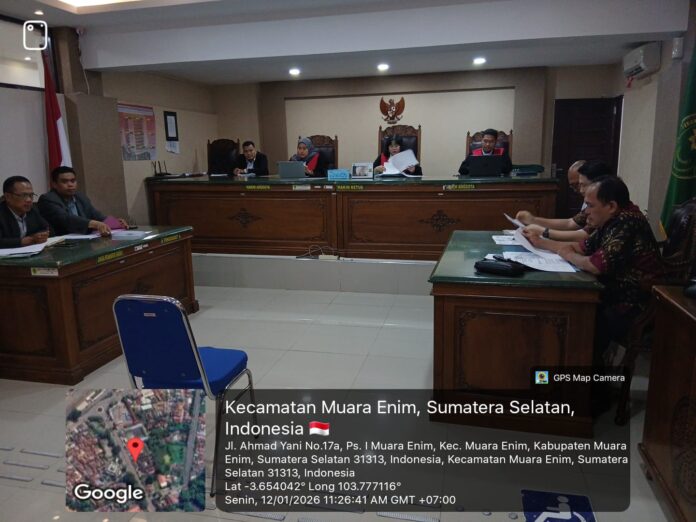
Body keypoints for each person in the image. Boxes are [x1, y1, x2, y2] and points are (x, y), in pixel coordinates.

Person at [523, 176, 663, 363]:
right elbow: (583, 247)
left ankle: (584, 373)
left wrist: (568, 255)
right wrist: (541, 242)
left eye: (590, 205)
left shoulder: (626, 222)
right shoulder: (612, 219)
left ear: (611, 206)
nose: (586, 212)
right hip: (611, 293)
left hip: (630, 304)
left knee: (576, 318)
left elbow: (595, 265)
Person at [517, 160, 611, 242]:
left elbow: (584, 236)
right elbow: (571, 223)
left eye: (582, 185)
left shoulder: (605, 204)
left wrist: (543, 233)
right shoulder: (592, 201)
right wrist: (533, 220)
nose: (581, 190)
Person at [38, 166, 126, 236]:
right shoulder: (47, 199)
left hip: (83, 239)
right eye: (65, 182)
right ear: (54, 184)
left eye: (73, 181)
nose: (70, 185)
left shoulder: (80, 197)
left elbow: (96, 215)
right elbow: (66, 219)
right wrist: (95, 224)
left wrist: (115, 222)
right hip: (62, 243)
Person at [0, 176, 51, 248]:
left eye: (31, 195)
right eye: (24, 195)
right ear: (8, 197)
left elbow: (45, 228)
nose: (29, 200)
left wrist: (41, 236)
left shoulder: (32, 210)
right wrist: (21, 241)